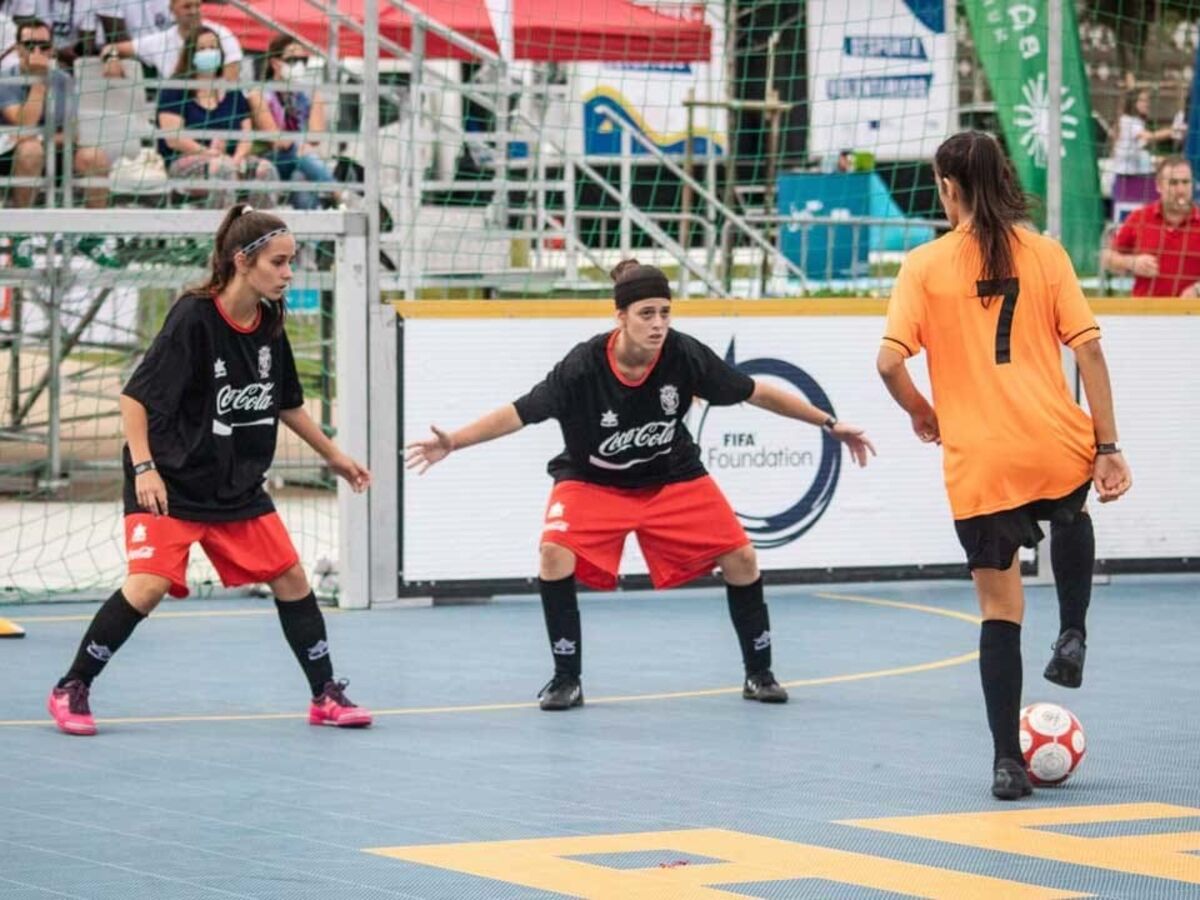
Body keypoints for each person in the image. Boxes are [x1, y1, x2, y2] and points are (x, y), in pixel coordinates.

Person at [406, 260, 876, 711]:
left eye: (665, 313)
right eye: (646, 314)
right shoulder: (584, 365)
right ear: (621, 317)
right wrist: (455, 442)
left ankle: (760, 673)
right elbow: (520, 411)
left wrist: (828, 422)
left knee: (742, 556)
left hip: (672, 479)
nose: (658, 324)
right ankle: (567, 677)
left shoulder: (685, 355)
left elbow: (756, 392)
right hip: (592, 481)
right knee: (553, 551)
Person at [46, 205, 373, 736]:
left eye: (291, 262)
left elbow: (286, 402)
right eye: (280, 262)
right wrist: (145, 468)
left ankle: (325, 694)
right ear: (244, 261)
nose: (289, 272)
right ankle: (72, 686)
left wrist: (333, 456)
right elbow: (134, 400)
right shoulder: (192, 317)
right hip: (169, 481)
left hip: (234, 485)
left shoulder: (270, 322)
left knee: (291, 577)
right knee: (148, 585)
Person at [876, 131, 1132, 801]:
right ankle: (1073, 630)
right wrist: (1107, 446)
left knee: (999, 608)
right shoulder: (1045, 254)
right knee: (1072, 507)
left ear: (948, 189)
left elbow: (888, 362)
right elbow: (1090, 351)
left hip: (981, 461)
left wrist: (920, 412)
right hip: (1050, 439)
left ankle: (1005, 763)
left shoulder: (924, 265)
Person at [0, 19, 116, 267]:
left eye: (44, 46)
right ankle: (21, 234)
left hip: (54, 150)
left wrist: (41, 136)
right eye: (30, 45)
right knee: (30, 150)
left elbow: (71, 132)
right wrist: (39, 84)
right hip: (11, 156)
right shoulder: (5, 80)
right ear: (18, 49)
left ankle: (93, 235)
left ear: (52, 49)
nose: (37, 52)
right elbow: (24, 121)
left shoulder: (63, 80)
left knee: (94, 157)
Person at [155, 27, 277, 208]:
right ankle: (222, 231)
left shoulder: (233, 94)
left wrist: (237, 158)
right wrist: (207, 153)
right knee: (222, 169)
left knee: (265, 169)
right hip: (186, 161)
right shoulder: (174, 91)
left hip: (231, 159)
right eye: (202, 48)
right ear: (190, 55)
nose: (209, 52)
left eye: (213, 47)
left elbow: (246, 136)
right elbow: (174, 139)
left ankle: (262, 231)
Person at [249, 34, 339, 210]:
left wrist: (316, 100)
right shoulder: (259, 94)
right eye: (292, 60)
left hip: (300, 162)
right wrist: (300, 145)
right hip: (269, 161)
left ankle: (312, 237)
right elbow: (277, 141)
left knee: (299, 179)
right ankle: (339, 194)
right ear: (275, 63)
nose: (298, 65)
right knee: (298, 153)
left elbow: (315, 137)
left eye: (302, 60)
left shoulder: (305, 95)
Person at [1101, 156, 1200, 298]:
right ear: (1159, 186)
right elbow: (1107, 258)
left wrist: (1197, 289)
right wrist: (1132, 263)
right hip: (1146, 314)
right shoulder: (1140, 218)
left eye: (1186, 182)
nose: (1181, 189)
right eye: (1173, 183)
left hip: (1193, 315)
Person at [101, 0, 241, 82]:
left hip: (218, 104)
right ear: (172, 9)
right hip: (174, 107)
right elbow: (111, 48)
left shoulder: (222, 35)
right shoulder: (161, 41)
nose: (193, 11)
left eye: (197, 6)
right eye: (187, 6)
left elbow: (230, 82)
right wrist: (111, 59)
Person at [1111, 89, 1176, 212]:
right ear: (1133, 103)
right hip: (1126, 181)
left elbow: (1140, 154)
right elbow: (1150, 136)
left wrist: (1159, 160)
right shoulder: (1128, 121)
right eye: (1142, 100)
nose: (1147, 104)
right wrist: (1173, 131)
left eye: (1148, 100)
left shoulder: (1134, 122)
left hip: (1131, 178)